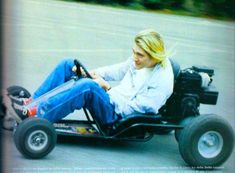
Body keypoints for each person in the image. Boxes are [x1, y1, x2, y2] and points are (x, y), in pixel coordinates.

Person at [6, 29, 174, 128]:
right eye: (134, 52)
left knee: (87, 87)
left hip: (117, 115)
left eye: (139, 55)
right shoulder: (139, 61)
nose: (134, 57)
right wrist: (92, 73)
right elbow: (118, 70)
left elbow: (137, 110)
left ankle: (36, 115)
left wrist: (106, 90)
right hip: (111, 99)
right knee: (68, 64)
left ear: (154, 55)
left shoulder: (162, 80)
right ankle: (31, 103)